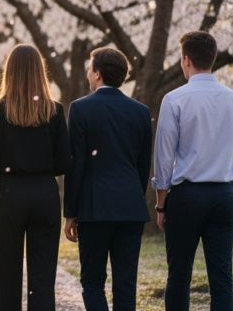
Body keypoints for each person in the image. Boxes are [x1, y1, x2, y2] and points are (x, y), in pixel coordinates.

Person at [153, 31, 233, 311]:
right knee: (222, 278)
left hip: (187, 196)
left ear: (186, 60)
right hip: (223, 195)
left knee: (179, 275)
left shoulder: (174, 99)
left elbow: (164, 156)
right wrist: (229, 191)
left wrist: (161, 205)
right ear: (213, 58)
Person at [0, 44, 71, 311]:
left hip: (9, 194)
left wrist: (7, 177)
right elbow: (64, 161)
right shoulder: (54, 111)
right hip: (44, 193)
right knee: (43, 276)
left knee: (6, 272)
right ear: (40, 72)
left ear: (9, 71)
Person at [63, 47, 153, 311]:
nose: (89, 74)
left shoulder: (80, 109)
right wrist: (133, 195)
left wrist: (70, 211)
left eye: (91, 68)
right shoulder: (140, 111)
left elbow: (75, 164)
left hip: (94, 208)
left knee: (92, 281)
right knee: (126, 282)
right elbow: (143, 164)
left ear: (98, 73)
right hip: (130, 207)